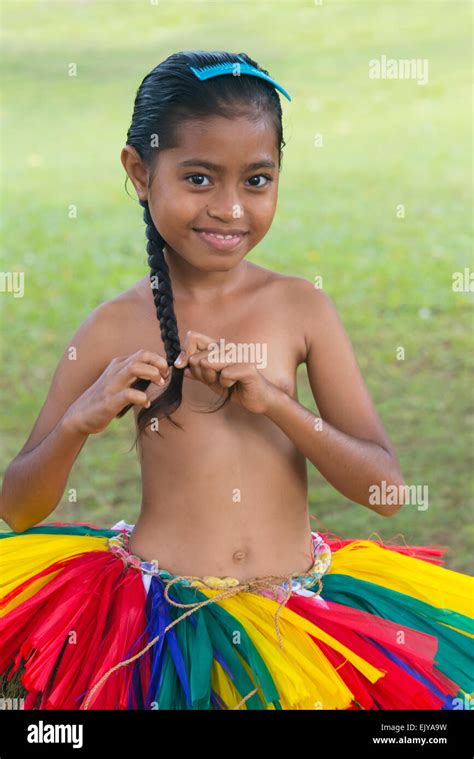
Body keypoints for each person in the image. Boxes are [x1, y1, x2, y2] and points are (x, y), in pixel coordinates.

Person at [0, 50, 472, 711]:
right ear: (140, 172)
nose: (229, 208)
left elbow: (387, 488)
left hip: (296, 614)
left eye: (256, 180)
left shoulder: (302, 307)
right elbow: (18, 506)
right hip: (164, 626)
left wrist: (278, 404)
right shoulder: (111, 326)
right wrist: (82, 416)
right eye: (198, 178)